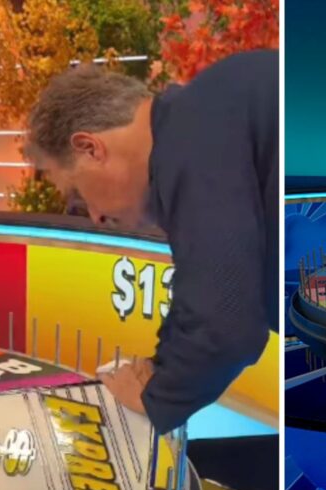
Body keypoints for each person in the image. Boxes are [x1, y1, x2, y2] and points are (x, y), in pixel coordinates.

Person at [26, 50, 278, 434]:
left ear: (90, 148)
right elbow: (206, 289)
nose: (95, 216)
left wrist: (154, 398)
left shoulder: (194, 139)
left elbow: (227, 327)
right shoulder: (198, 123)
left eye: (78, 196)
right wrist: (160, 365)